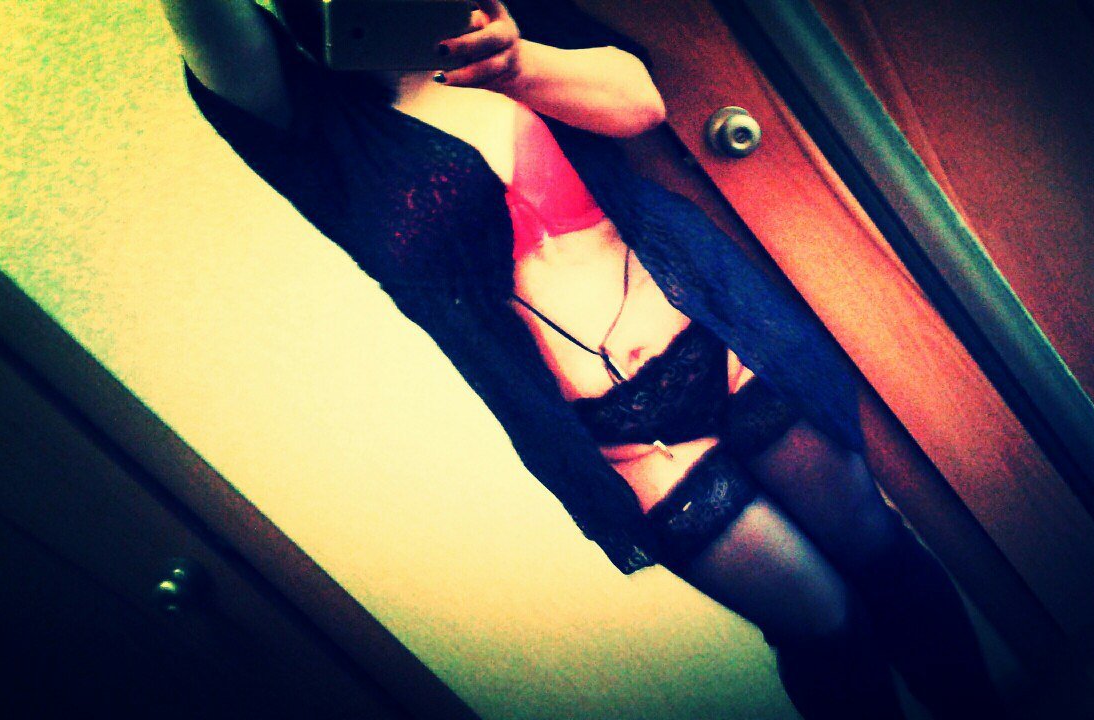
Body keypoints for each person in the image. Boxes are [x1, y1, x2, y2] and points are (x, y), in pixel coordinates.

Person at [158, 0, 1007, 717]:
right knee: (818, 623)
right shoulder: (307, 128)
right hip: (616, 437)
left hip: (722, 338)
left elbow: (638, 102)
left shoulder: (500, 21)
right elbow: (210, 24)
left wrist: (517, 63)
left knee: (878, 552)